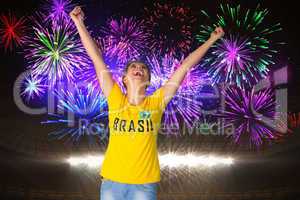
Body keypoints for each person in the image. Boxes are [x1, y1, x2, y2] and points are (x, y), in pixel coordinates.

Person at [70, 6, 224, 200]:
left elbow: (185, 66)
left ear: (148, 80)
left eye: (143, 68)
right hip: (111, 182)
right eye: (133, 67)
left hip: (144, 185)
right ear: (124, 78)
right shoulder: (115, 98)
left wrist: (212, 39)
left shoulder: (156, 102)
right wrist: (79, 23)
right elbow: (96, 58)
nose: (138, 68)